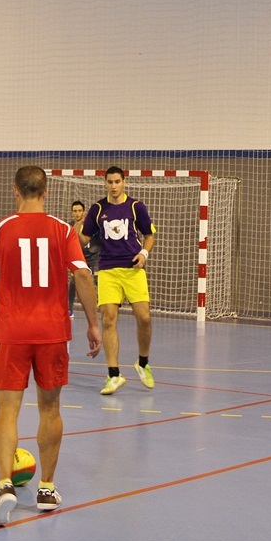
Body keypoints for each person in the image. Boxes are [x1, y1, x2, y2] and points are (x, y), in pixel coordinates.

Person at [0, 166, 102, 527]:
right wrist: (92, 323)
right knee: (50, 409)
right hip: (52, 332)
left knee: (7, 412)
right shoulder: (62, 230)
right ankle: (45, 488)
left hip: (11, 333)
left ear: (16, 191)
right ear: (45, 192)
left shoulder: (0, 229)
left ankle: (4, 486)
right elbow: (84, 275)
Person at [80, 166, 157, 395]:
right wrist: (75, 230)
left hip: (133, 270)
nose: (113, 186)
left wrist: (144, 254)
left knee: (144, 317)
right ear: (105, 183)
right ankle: (113, 375)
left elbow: (149, 235)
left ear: (124, 182)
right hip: (107, 270)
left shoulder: (136, 207)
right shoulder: (97, 208)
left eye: (117, 181)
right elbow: (86, 236)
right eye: (110, 182)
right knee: (108, 320)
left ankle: (142, 363)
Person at [68, 200, 100, 317]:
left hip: (94, 254)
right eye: (75, 211)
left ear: (84, 212)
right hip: (79, 256)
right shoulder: (69, 227)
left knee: (98, 278)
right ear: (72, 213)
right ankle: (69, 309)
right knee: (73, 281)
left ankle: (104, 305)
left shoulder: (91, 224)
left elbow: (99, 239)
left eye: (79, 211)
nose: (77, 213)